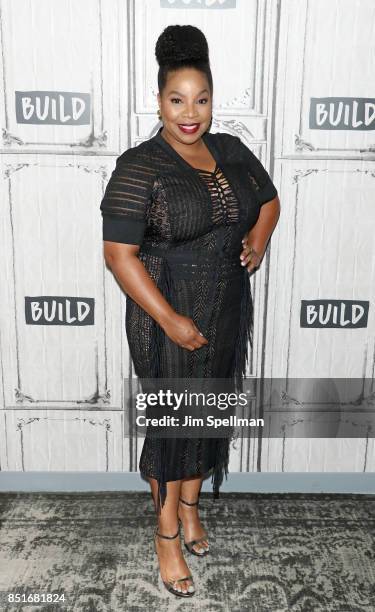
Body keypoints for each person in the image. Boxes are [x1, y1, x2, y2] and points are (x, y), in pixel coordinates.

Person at [100, 24, 280, 599]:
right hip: (167, 312)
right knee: (174, 425)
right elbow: (119, 255)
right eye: (177, 100)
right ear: (158, 100)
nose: (190, 112)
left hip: (226, 305)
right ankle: (166, 535)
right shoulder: (139, 165)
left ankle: (193, 508)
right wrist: (170, 320)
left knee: (207, 417)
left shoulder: (228, 149)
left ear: (211, 99)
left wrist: (260, 236)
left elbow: (269, 199)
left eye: (200, 99)